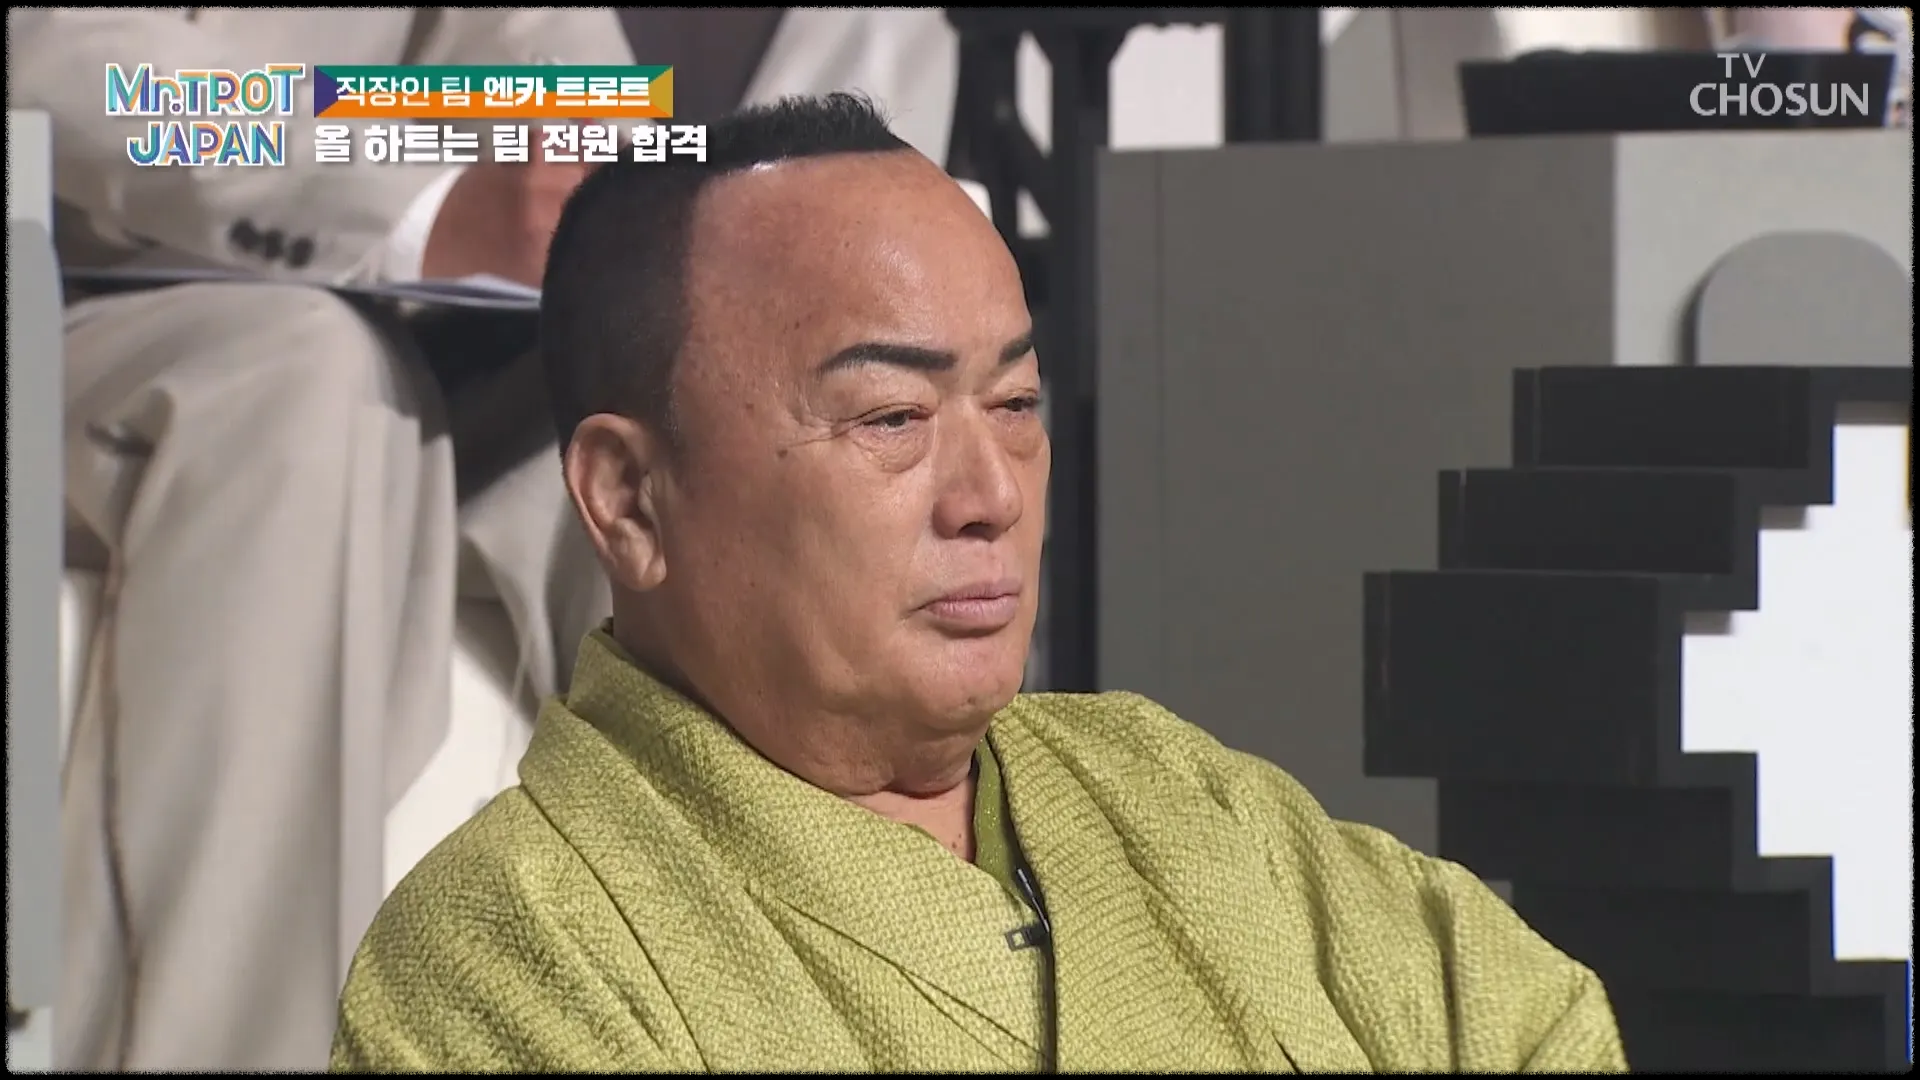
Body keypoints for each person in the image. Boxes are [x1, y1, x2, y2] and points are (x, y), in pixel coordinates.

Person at [330, 93, 1628, 1073]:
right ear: (628, 498)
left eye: (1015, 404)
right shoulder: (513, 955)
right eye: (891, 418)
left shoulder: (1168, 791)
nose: (992, 494)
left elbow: (1541, 1029)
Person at [5, 7, 633, 1071]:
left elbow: (553, 72)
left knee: (673, 385)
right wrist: (422, 195)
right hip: (67, 301)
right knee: (306, 378)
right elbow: (65, 63)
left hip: (364, 312)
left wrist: (635, 185)